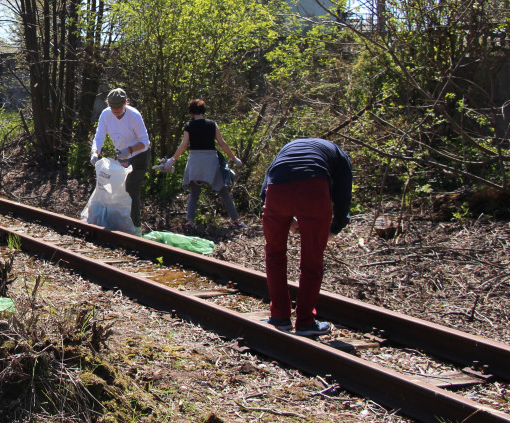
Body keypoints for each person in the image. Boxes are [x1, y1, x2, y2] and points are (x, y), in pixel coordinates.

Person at [260, 138, 353, 337]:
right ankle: (305, 322)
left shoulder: (286, 148)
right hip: (313, 191)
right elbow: (343, 195)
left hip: (277, 191)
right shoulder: (339, 155)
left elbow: (265, 188)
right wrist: (335, 228)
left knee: (274, 255)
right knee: (312, 260)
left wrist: (287, 217)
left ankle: (279, 317)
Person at [162, 99, 244, 233]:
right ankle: (236, 221)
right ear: (203, 111)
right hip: (211, 161)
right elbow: (222, 143)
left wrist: (173, 159)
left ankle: (190, 222)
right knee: (224, 192)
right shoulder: (212, 124)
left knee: (194, 193)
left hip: (195, 161)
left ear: (192, 112)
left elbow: (183, 145)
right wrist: (234, 158)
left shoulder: (189, 125)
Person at [89, 88, 151, 234]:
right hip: (122, 156)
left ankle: (136, 228)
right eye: (113, 107)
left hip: (139, 156)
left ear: (125, 103)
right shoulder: (105, 115)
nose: (116, 110)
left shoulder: (133, 115)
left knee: (131, 189)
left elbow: (145, 142)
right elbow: (99, 136)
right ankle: (119, 223)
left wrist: (129, 150)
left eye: (118, 107)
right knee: (117, 189)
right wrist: (94, 151)